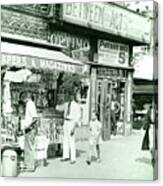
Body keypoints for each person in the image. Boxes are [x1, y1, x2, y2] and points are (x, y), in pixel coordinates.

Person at [59, 92, 81, 164]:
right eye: (69, 96)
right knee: (65, 139)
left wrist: (74, 127)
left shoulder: (76, 105)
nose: (70, 97)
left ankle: (73, 158)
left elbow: (77, 117)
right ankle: (65, 156)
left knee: (71, 140)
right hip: (66, 121)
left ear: (73, 97)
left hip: (71, 122)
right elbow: (60, 108)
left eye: (71, 96)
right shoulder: (66, 104)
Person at [23, 93, 38, 172]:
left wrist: (28, 126)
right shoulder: (28, 104)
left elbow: (35, 118)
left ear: (26, 98)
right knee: (27, 148)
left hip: (30, 129)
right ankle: (27, 165)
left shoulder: (30, 104)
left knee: (30, 147)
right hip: (28, 129)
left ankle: (31, 166)